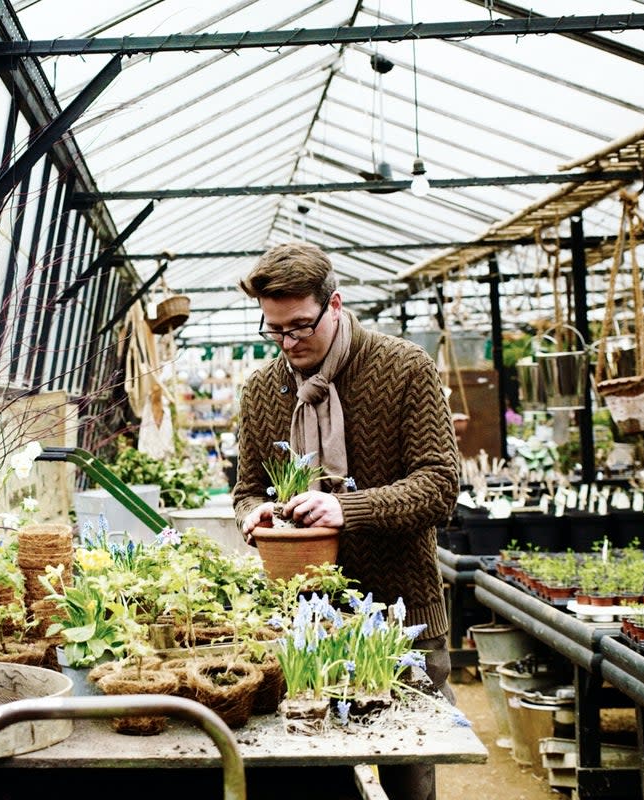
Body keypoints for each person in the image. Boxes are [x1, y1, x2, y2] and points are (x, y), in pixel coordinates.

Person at [233, 241, 460, 800]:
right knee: (313, 777)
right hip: (303, 628)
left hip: (399, 619)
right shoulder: (263, 391)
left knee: (408, 773)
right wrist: (255, 512)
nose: (288, 344)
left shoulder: (405, 368)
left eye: (300, 327)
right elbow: (245, 491)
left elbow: (440, 486)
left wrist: (346, 507)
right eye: (275, 330)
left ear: (334, 304)